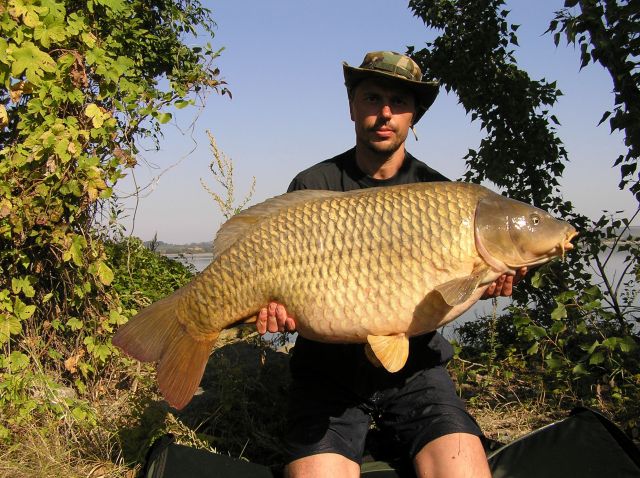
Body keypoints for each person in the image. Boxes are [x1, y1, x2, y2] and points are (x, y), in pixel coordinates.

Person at [257, 51, 526, 478]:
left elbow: (446, 296)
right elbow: (286, 287)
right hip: (327, 374)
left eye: (399, 103)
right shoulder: (314, 184)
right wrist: (281, 312)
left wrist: (483, 283)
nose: (385, 113)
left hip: (416, 370)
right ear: (352, 106)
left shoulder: (439, 191)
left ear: (414, 115)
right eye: (372, 98)